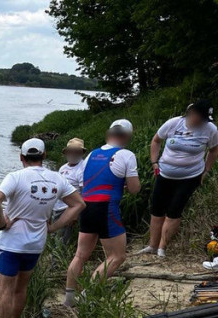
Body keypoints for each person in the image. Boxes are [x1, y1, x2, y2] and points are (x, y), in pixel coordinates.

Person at [0, 138, 84, 318]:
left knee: (5, 291)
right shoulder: (57, 178)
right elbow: (78, 204)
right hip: (35, 244)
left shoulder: (16, 177)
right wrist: (54, 227)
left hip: (11, 243)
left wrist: (2, 224)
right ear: (44, 156)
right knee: (21, 289)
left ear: (21, 157)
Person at [63, 120, 141, 307]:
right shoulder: (126, 155)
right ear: (126, 136)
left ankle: (69, 299)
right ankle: (86, 296)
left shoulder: (91, 154)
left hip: (86, 206)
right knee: (117, 256)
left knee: (80, 255)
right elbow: (134, 189)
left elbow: (88, 181)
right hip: (106, 208)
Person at [138, 101, 218, 260]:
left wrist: (206, 170)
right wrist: (154, 162)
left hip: (190, 176)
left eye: (205, 119)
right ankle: (152, 245)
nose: (201, 121)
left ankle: (162, 247)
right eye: (200, 117)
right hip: (165, 174)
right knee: (157, 209)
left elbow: (214, 150)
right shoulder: (173, 123)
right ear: (191, 113)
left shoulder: (211, 130)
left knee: (174, 210)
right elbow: (156, 140)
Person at [52, 137, 87, 243]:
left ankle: (58, 259)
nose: (73, 154)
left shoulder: (83, 168)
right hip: (57, 208)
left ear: (81, 153)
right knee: (54, 237)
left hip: (69, 209)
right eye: (71, 151)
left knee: (62, 240)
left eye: (76, 151)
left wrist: (75, 214)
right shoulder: (62, 168)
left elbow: (84, 192)